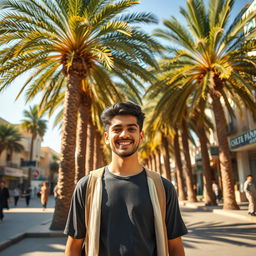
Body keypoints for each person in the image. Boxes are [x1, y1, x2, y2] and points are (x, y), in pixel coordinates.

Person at [64, 102, 187, 256]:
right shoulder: (87, 186)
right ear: (107, 137)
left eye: (131, 129)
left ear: (140, 136)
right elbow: (74, 245)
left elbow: (175, 246)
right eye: (117, 129)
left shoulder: (163, 187)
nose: (124, 135)